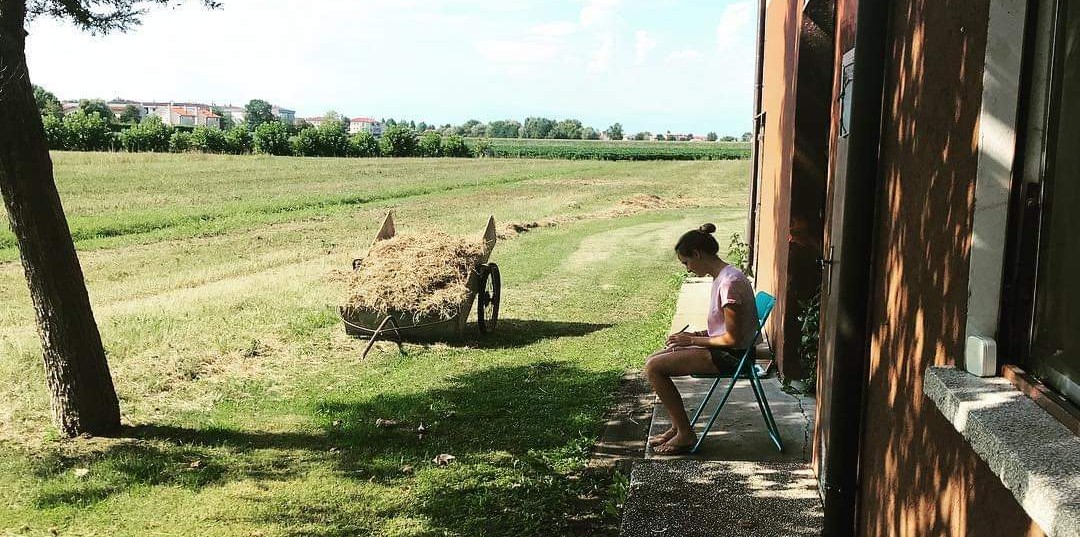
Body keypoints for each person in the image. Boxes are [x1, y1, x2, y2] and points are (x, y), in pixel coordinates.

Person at [643, 223, 759, 455]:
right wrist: (693, 335)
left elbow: (732, 340)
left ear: (697, 254)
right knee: (655, 358)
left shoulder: (729, 283)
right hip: (725, 351)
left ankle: (685, 434)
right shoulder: (724, 276)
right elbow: (723, 329)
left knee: (655, 368)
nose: (687, 269)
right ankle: (678, 427)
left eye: (686, 262)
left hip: (732, 357)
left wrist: (692, 342)